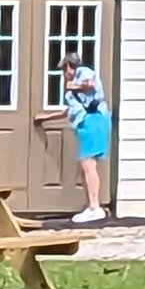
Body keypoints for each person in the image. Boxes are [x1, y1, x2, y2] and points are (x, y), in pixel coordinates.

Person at [40, 59, 112, 224]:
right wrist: (47, 117)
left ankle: (95, 207)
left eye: (64, 72)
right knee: (85, 167)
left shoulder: (82, 72)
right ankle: (91, 205)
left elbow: (90, 84)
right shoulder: (72, 92)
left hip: (93, 121)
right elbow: (71, 110)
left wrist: (74, 85)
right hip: (86, 123)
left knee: (88, 165)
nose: (64, 76)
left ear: (68, 68)